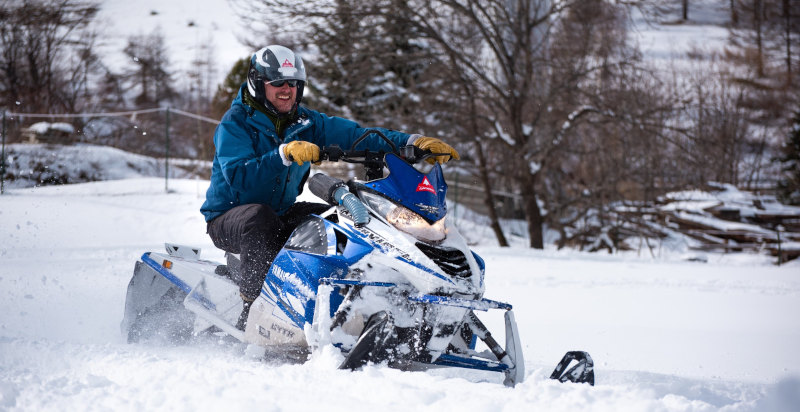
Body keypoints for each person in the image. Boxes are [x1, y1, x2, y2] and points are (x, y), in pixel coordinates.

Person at [200, 45, 459, 330]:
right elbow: (239, 177)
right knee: (259, 219)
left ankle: (341, 303)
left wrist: (410, 142)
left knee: (338, 220)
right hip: (229, 218)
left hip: (281, 211)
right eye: (278, 84)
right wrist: (282, 155)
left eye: (294, 84)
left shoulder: (306, 122)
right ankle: (251, 308)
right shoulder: (235, 123)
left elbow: (358, 136)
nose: (287, 90)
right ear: (259, 84)